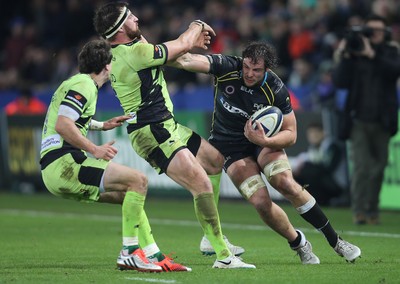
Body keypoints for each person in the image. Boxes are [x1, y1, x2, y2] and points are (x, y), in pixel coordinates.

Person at [93, 1, 254, 269]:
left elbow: (172, 50)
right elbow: (181, 44)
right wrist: (197, 25)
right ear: (120, 28)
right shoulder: (135, 53)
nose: (136, 18)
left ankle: (208, 238)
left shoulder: (127, 50)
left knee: (214, 160)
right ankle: (224, 256)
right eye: (130, 17)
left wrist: (187, 41)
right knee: (200, 184)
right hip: (152, 130)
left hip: (166, 124)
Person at [169, 41, 361, 263]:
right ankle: (299, 243)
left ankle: (336, 242)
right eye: (247, 67)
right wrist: (154, 53)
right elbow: (187, 60)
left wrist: (265, 139)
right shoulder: (226, 67)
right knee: (260, 201)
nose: (249, 74)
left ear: (267, 69)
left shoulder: (276, 88)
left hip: (262, 140)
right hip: (229, 146)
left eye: (257, 70)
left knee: (285, 183)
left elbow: (291, 134)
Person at [39, 39, 188, 273]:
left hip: (54, 170)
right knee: (138, 181)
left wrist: (101, 125)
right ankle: (129, 252)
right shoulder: (84, 85)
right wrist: (95, 149)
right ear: (108, 66)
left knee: (127, 195)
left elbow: (69, 118)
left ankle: (153, 255)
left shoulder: (75, 83)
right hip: (65, 162)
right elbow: (63, 124)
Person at [332, 14, 400, 225]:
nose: (375, 34)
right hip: (358, 119)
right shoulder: (354, 54)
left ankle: (372, 209)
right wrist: (344, 53)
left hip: (383, 120)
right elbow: (340, 81)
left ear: (386, 33)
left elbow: (393, 72)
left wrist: (372, 55)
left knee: (378, 167)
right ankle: (360, 211)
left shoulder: (391, 52)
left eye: (379, 30)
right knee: (362, 167)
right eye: (371, 30)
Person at [290, 121, 349, 206]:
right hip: (324, 182)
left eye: (315, 133)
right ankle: (307, 200)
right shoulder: (312, 149)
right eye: (310, 134)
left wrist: (307, 166)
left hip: (337, 185)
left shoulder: (332, 147)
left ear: (323, 133)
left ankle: (319, 201)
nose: (312, 136)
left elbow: (328, 168)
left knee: (308, 169)